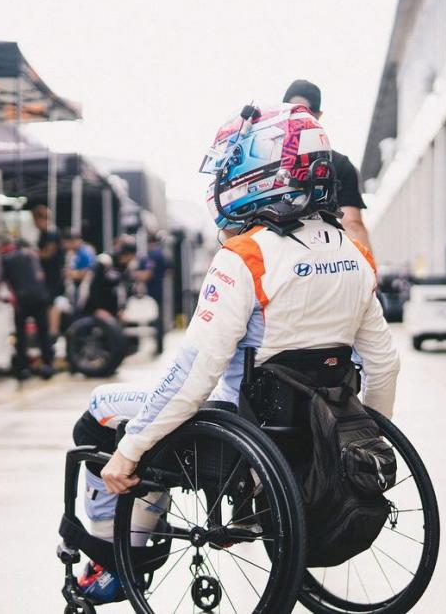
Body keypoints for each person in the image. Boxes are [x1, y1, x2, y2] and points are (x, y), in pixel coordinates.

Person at [71, 103, 399, 603]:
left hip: (237, 435)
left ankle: (119, 562)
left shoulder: (246, 257)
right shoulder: (354, 256)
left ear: (258, 175)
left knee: (102, 415)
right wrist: (356, 443)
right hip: (310, 434)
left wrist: (131, 449)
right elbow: (383, 364)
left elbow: (192, 376)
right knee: (158, 420)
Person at [283, 79, 372, 248]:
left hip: (273, 259)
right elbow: (352, 223)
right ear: (318, 115)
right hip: (324, 257)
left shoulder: (262, 158)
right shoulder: (339, 164)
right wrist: (371, 272)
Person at [0, 238, 55, 379]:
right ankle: (47, 365)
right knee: (43, 333)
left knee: (20, 335)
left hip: (22, 301)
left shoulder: (4, 258)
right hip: (40, 297)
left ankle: (23, 368)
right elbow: (40, 275)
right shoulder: (31, 254)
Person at [32, 205, 65, 345]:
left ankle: (53, 334)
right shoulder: (45, 233)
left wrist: (32, 254)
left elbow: (49, 253)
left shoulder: (51, 233)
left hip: (53, 276)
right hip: (49, 275)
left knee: (51, 304)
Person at [134, 236, 169, 355]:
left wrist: (134, 274)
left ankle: (157, 348)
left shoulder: (152, 255)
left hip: (152, 292)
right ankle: (159, 347)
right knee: (159, 319)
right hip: (159, 289)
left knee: (155, 320)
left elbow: (147, 275)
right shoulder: (162, 254)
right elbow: (170, 272)